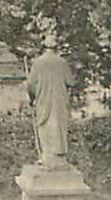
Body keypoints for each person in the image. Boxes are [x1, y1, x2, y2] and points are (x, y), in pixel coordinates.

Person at [26, 30, 75, 168]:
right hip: (59, 100)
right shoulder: (62, 62)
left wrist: (32, 98)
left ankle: (46, 156)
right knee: (58, 126)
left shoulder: (38, 63)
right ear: (57, 48)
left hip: (43, 100)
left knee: (44, 125)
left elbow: (31, 84)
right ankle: (58, 157)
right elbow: (71, 82)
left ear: (44, 47)